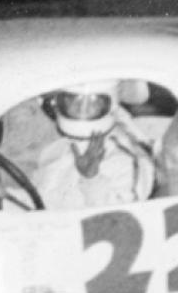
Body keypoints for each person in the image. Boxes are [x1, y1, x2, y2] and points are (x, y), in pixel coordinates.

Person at [32, 80, 155, 209]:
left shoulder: (130, 159)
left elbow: (120, 217)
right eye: (72, 100)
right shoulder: (55, 148)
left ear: (110, 104)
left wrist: (92, 179)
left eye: (92, 101)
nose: (80, 108)